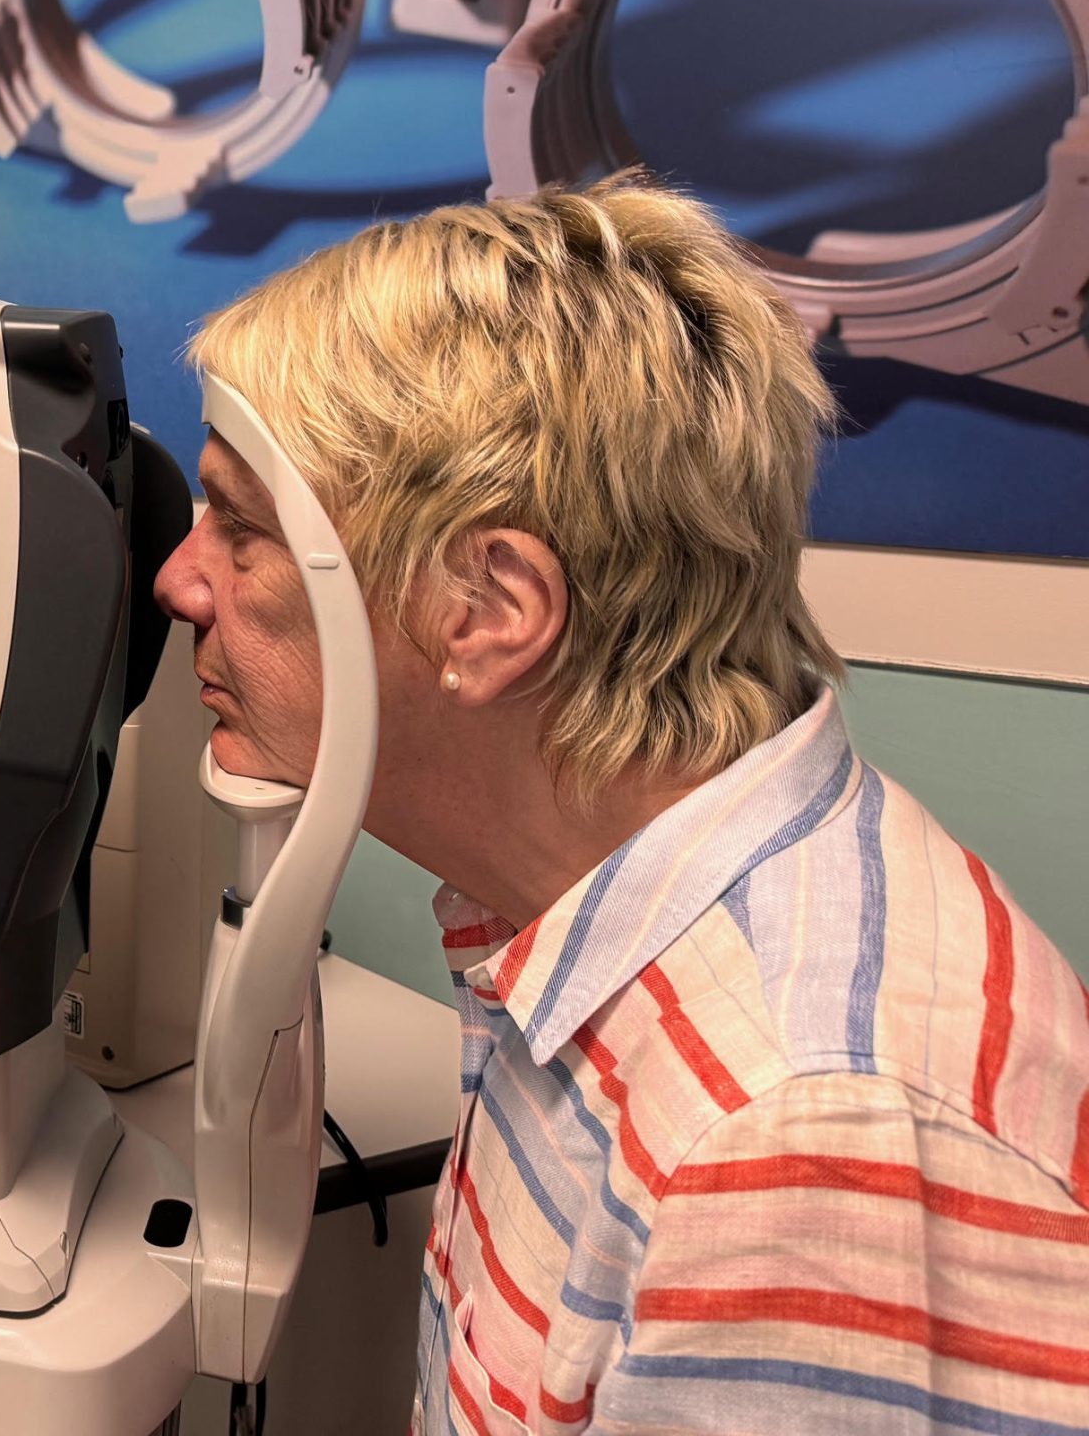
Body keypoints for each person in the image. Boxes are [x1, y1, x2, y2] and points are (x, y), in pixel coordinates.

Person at [155, 177, 1089, 1432]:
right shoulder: (584, 929)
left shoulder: (792, 1138)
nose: (180, 579)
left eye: (239, 526)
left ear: (486, 611)